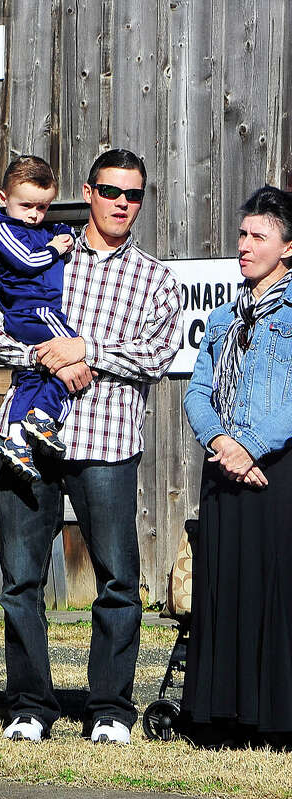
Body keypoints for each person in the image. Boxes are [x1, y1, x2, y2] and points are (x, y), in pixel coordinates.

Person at [0, 148, 182, 745]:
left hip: (107, 441)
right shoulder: (46, 250)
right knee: (20, 579)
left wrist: (86, 352)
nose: (123, 203)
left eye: (134, 194)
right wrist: (49, 357)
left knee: (118, 579)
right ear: (89, 193)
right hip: (31, 443)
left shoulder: (154, 278)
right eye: (111, 190)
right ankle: (29, 705)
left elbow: (158, 355)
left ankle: (111, 709)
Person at [182, 186, 292, 743]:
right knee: (225, 585)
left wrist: (249, 444)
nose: (244, 246)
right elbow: (197, 392)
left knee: (276, 586)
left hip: (279, 467)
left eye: (259, 236)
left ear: (288, 247)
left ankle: (276, 718)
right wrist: (225, 444)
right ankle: (221, 715)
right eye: (242, 235)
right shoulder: (225, 315)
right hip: (225, 466)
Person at [0, 156, 77, 480]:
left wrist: (63, 234)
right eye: (26, 205)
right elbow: (28, 261)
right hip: (35, 311)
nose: (34, 215)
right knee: (71, 352)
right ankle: (43, 413)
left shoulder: (44, 229)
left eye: (42, 207)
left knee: (31, 374)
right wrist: (56, 248)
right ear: (4, 199)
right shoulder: (5, 230)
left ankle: (15, 438)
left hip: (35, 313)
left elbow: (62, 233)